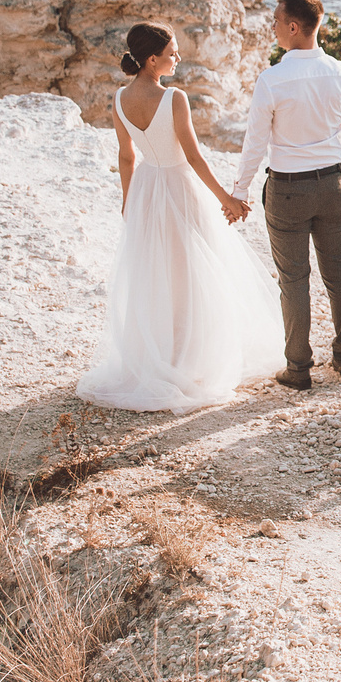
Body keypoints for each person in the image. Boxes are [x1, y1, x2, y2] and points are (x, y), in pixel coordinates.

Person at [75, 23, 278, 412]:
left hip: (146, 188)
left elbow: (126, 157)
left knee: (157, 274)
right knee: (193, 274)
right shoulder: (174, 98)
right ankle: (189, 360)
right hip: (179, 187)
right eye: (173, 53)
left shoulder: (119, 98)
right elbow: (194, 157)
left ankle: (161, 356)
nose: (178, 58)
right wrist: (227, 199)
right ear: (153, 60)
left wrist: (128, 200)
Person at [232, 0, 341, 390]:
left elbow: (255, 143)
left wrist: (239, 191)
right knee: (339, 271)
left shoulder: (272, 79)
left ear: (293, 27)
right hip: (333, 185)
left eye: (275, 21)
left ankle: (298, 368)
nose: (272, 27)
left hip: (288, 190)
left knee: (293, 279)